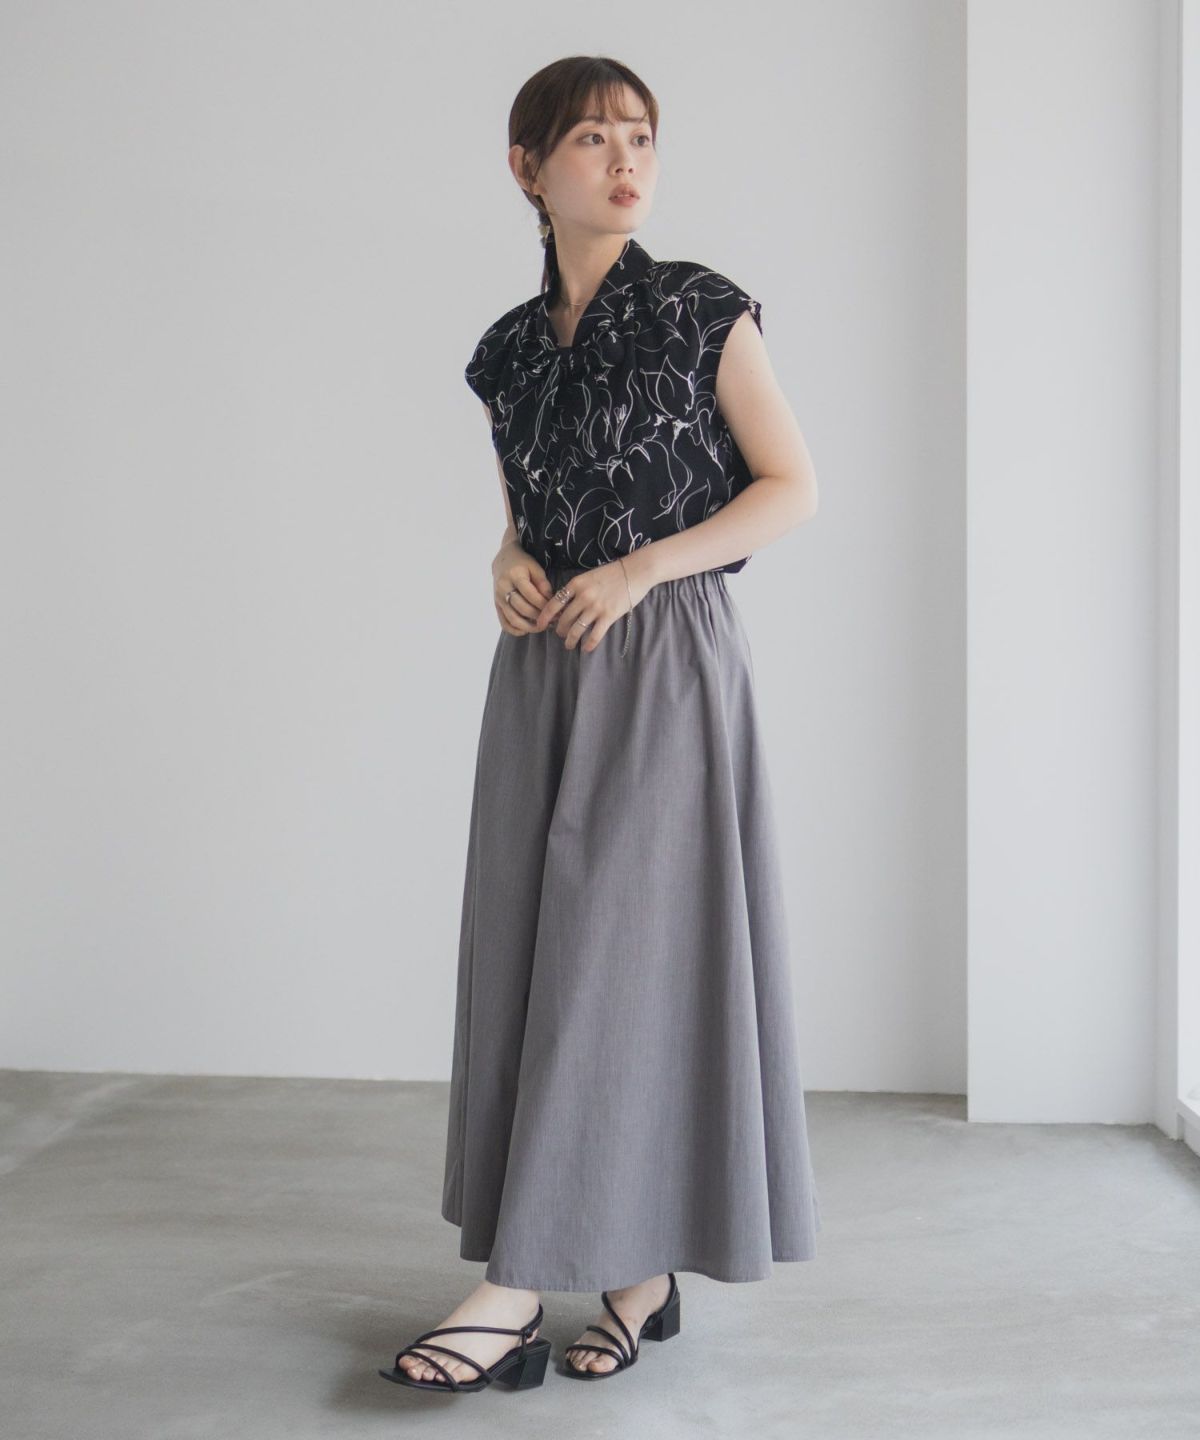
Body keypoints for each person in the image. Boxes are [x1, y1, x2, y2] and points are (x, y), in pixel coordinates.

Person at [380, 54, 821, 1395]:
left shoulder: (699, 310)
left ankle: (514, 1287)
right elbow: (531, 503)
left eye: (641, 136)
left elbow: (790, 487)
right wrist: (506, 559)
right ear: (527, 168)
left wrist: (640, 571)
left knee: (621, 963)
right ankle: (635, 1274)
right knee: (534, 953)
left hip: (665, 661)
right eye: (591, 138)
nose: (625, 159)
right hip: (542, 669)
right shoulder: (509, 352)